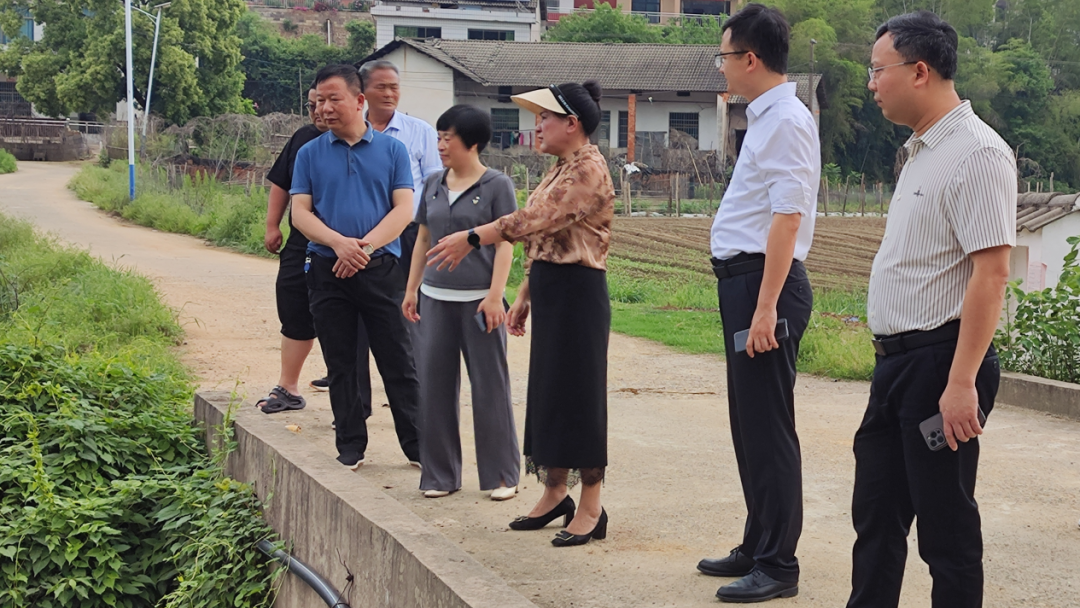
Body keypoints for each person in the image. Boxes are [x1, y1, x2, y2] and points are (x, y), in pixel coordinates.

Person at [848, 12, 1015, 608]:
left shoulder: (978, 153)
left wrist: (962, 383)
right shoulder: (921, 151)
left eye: (878, 70)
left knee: (945, 530)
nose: (871, 83)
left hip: (941, 365)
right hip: (895, 365)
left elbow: (992, 274)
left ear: (919, 71)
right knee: (875, 517)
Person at [427, 81, 614, 547]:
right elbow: (547, 237)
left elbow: (532, 221)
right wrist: (527, 289)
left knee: (580, 398)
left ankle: (591, 505)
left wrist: (473, 236)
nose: (538, 125)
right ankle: (555, 492)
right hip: (553, 287)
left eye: (545, 117)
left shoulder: (588, 169)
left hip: (579, 294)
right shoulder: (560, 168)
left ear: (572, 123)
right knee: (550, 394)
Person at [695, 4, 818, 603]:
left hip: (765, 287)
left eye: (723, 56)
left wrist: (766, 307)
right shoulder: (766, 116)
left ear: (750, 58)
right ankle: (757, 541)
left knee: (769, 428)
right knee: (748, 426)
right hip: (745, 284)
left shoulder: (787, 120)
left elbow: (787, 218)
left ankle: (778, 564)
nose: (719, 67)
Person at [290, 64, 422, 470]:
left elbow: (404, 209)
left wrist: (362, 247)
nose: (324, 108)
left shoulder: (392, 150)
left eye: (334, 99)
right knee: (341, 361)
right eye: (319, 101)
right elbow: (300, 212)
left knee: (398, 359)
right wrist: (338, 244)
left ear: (359, 100)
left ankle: (419, 444)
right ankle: (350, 443)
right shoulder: (309, 153)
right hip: (327, 269)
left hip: (380, 269)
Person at [401, 105, 520, 501]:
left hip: (479, 303)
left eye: (447, 138)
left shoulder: (497, 185)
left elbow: (505, 243)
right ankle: (440, 476)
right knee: (434, 389)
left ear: (472, 143)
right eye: (438, 137)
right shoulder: (433, 182)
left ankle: (502, 476)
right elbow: (423, 238)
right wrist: (412, 289)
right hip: (435, 300)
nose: (440, 145)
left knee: (490, 388)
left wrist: (494, 295)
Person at [318, 60, 442, 411]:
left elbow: (435, 184)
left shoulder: (419, 132)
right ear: (362, 94)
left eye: (394, 87)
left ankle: (415, 402)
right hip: (353, 242)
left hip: (407, 235)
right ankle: (357, 405)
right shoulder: (343, 134)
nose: (389, 93)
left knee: (407, 314)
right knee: (353, 322)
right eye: (381, 87)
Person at [256, 83, 328, 414]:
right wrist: (273, 225)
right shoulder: (303, 139)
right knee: (293, 302)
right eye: (312, 104)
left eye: (325, 102)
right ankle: (288, 387)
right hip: (301, 241)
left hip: (346, 245)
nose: (318, 111)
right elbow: (281, 183)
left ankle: (348, 385)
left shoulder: (366, 145)